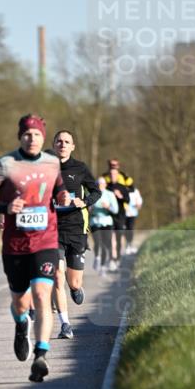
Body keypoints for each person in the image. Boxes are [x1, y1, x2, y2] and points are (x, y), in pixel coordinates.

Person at [0, 114, 62, 382]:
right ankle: (21, 323)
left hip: (46, 241)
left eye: (37, 134)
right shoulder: (6, 164)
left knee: (41, 294)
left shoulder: (53, 163)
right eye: (27, 134)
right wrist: (6, 207)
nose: (32, 138)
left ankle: (41, 354)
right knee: (20, 302)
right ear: (20, 137)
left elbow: (59, 189)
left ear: (43, 137)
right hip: (15, 246)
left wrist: (63, 195)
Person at [51, 130, 101, 340]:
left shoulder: (79, 168)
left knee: (74, 282)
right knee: (57, 275)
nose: (62, 144)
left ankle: (75, 289)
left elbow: (96, 191)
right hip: (52, 229)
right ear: (54, 145)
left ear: (72, 147)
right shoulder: (45, 168)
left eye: (67, 142)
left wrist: (85, 202)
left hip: (76, 229)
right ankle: (65, 324)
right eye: (59, 141)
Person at [101, 159, 132, 266]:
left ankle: (118, 256)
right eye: (111, 174)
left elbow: (128, 200)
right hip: (108, 215)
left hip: (120, 215)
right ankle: (112, 258)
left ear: (117, 175)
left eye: (114, 174)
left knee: (118, 238)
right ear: (109, 175)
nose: (112, 176)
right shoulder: (107, 187)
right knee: (110, 237)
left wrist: (120, 196)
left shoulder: (122, 187)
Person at [90, 176, 118, 273]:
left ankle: (104, 265)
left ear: (105, 185)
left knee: (107, 243)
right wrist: (91, 208)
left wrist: (108, 207)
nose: (100, 186)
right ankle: (97, 258)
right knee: (98, 242)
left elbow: (116, 210)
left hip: (107, 222)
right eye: (98, 184)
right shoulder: (92, 194)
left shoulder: (110, 194)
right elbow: (86, 208)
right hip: (95, 221)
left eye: (102, 184)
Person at [124, 184, 144, 254]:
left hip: (132, 214)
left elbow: (139, 201)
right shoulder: (121, 189)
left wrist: (138, 205)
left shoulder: (135, 191)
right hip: (123, 214)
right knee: (124, 229)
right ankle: (126, 245)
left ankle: (129, 245)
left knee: (130, 229)